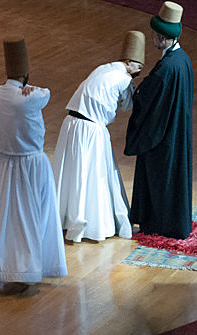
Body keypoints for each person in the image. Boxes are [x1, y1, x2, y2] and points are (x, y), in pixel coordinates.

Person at [0, 37, 68, 295]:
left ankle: (8, 265)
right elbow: (47, 94)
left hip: (5, 164)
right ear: (26, 73)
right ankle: (29, 267)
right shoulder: (29, 98)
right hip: (31, 164)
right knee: (32, 217)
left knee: (8, 217)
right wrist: (30, 87)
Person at [52, 31, 145, 243]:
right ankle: (89, 222)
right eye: (137, 69)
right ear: (129, 62)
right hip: (91, 130)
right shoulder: (123, 78)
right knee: (93, 175)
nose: (137, 74)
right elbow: (128, 106)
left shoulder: (103, 68)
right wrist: (133, 89)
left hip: (70, 125)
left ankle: (66, 218)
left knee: (72, 173)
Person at [125, 1, 194, 240]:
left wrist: (137, 90)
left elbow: (148, 101)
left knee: (160, 179)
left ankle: (159, 223)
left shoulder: (166, 68)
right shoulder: (182, 60)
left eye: (155, 34)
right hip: (176, 133)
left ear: (163, 37)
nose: (152, 38)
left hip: (163, 137)